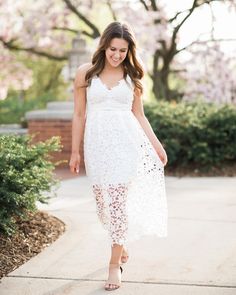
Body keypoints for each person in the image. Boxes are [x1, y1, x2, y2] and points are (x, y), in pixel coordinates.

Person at [69, 21, 168, 291]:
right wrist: (75, 150)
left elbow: (139, 114)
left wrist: (157, 145)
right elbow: (79, 114)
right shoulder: (85, 73)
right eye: (113, 49)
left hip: (126, 144)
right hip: (97, 145)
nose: (117, 55)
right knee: (103, 207)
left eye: (122, 51)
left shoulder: (132, 76)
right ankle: (120, 243)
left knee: (117, 205)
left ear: (129, 51)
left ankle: (114, 265)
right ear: (104, 46)